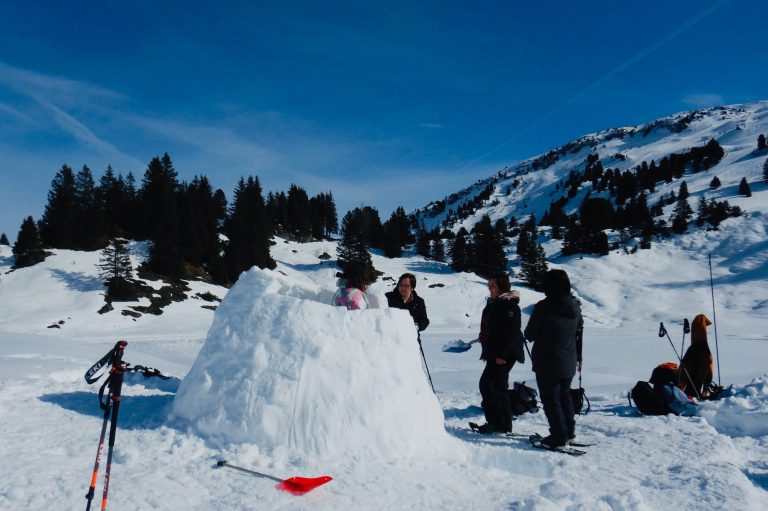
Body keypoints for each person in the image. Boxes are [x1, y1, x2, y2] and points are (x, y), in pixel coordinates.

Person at [524, 269, 583, 449]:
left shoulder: (544, 306)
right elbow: (579, 331)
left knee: (551, 399)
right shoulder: (575, 305)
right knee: (564, 396)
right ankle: (569, 432)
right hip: (569, 359)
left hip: (547, 360)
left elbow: (530, 333)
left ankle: (558, 437)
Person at [474, 273, 525, 434]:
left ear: (501, 287)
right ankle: (497, 423)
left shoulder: (509, 306)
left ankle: (500, 424)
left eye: (492, 286)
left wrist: (503, 355)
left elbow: (512, 333)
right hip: (495, 352)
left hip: (504, 354)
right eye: (489, 285)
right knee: (492, 386)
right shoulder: (496, 304)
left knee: (493, 386)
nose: (490, 289)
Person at [678, 313, 714, 398]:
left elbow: (684, 368)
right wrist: (706, 387)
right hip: (697, 383)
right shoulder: (705, 349)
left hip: (690, 384)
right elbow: (709, 369)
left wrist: (680, 384)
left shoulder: (693, 349)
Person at [385, 273, 429, 338]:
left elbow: (424, 321)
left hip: (411, 338)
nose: (403, 288)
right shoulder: (388, 297)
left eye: (406, 286)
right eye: (401, 285)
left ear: (412, 288)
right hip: (392, 338)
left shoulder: (419, 301)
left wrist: (416, 327)